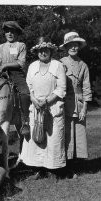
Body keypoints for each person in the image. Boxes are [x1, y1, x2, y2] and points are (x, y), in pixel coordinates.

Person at [19, 37, 67, 179]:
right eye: (40, 50)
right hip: (35, 107)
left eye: (46, 50)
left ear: (51, 51)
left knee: (53, 138)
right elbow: (29, 87)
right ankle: (38, 170)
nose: (43, 53)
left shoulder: (57, 65)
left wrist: (46, 101)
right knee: (37, 137)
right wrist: (34, 100)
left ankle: (53, 170)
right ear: (37, 52)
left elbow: (61, 88)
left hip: (52, 107)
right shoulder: (33, 66)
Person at [59, 32, 92, 178]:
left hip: (78, 105)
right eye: (70, 45)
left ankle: (75, 166)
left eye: (76, 45)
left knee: (77, 135)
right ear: (66, 47)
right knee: (65, 135)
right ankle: (63, 166)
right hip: (63, 104)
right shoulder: (60, 63)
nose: (73, 48)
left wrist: (84, 108)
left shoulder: (83, 65)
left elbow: (86, 88)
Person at [0, 21, 30, 134]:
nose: (10, 33)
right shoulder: (0, 47)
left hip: (16, 74)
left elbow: (21, 63)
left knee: (25, 93)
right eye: (7, 31)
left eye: (12, 31)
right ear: (4, 33)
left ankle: (25, 121)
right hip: (2, 75)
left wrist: (5, 65)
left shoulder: (20, 45)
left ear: (16, 33)